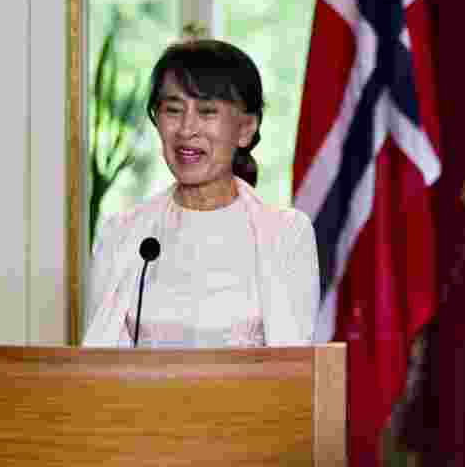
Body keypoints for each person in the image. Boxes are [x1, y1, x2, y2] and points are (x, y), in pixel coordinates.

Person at [84, 39, 319, 347]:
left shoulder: (286, 234)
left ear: (246, 129)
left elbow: (294, 373)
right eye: (173, 110)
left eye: (207, 112)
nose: (186, 129)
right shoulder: (121, 234)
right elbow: (93, 371)